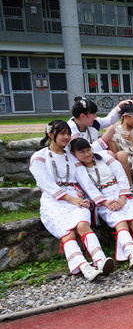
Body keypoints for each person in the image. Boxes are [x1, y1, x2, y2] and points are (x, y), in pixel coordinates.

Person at [29, 120, 114, 281]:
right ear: (50, 134)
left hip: (75, 197)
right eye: (62, 133)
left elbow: (85, 181)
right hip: (52, 200)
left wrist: (101, 200)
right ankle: (83, 266)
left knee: (83, 224)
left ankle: (100, 260)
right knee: (67, 233)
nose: (66, 137)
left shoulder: (71, 157)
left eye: (68, 133)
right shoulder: (39, 157)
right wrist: (70, 199)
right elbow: (45, 183)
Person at [70, 138, 133, 269]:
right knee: (121, 223)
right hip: (103, 200)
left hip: (121, 192)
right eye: (82, 152)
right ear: (74, 154)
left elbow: (121, 176)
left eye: (88, 150)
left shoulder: (105, 158)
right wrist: (106, 202)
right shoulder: (78, 169)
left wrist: (123, 197)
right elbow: (88, 187)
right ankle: (132, 253)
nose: (87, 154)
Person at [68, 96, 133, 154]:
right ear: (82, 116)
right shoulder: (70, 131)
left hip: (94, 158)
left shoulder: (93, 122)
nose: (95, 117)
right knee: (110, 154)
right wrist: (105, 137)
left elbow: (108, 120)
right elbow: (86, 152)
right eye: (93, 114)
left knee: (110, 154)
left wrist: (120, 106)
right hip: (80, 162)